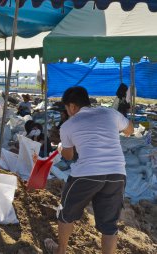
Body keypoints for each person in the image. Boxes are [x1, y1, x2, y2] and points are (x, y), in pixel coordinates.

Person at [44, 86, 134, 254]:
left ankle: (60, 250)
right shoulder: (109, 113)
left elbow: (69, 156)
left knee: (66, 212)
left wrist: (60, 148)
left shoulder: (69, 125)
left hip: (86, 173)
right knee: (109, 226)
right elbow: (130, 130)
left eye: (66, 108)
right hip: (117, 173)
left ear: (72, 106)